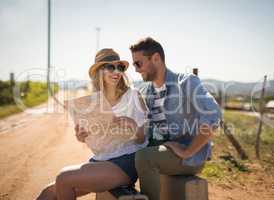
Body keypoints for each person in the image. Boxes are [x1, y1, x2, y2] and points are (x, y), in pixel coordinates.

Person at [36, 48, 148, 200]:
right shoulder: (93, 102)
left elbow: (144, 139)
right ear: (99, 72)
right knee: (48, 193)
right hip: (101, 159)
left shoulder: (134, 95)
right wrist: (82, 136)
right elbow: (95, 138)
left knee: (64, 178)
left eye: (120, 67)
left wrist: (134, 126)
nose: (116, 71)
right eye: (110, 67)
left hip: (125, 161)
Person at [130, 37, 221, 200]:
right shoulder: (148, 91)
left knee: (144, 157)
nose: (136, 70)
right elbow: (147, 131)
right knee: (130, 154)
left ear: (156, 59)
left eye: (138, 63)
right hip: (166, 149)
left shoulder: (186, 82)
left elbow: (213, 115)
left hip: (190, 157)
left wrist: (187, 151)